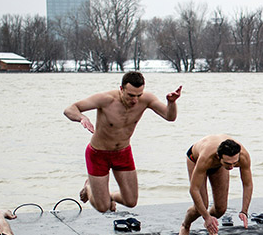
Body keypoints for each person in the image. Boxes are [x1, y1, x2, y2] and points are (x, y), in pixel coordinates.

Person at [63, 71, 181, 213]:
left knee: (131, 201)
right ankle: (89, 188)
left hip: (123, 153)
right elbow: (70, 109)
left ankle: (109, 197)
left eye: (139, 95)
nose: (135, 100)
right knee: (102, 207)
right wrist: (81, 117)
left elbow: (170, 116)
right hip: (98, 153)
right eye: (131, 95)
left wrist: (171, 103)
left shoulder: (147, 99)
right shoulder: (106, 99)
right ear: (121, 89)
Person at [177, 135, 254, 235]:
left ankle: (211, 225)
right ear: (218, 157)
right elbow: (194, 190)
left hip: (219, 166)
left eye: (234, 163)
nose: (232, 167)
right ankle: (185, 226)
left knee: (221, 209)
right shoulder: (206, 157)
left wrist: (244, 211)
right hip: (195, 159)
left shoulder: (243, 156)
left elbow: (247, 184)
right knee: (201, 206)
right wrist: (206, 217)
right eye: (228, 164)